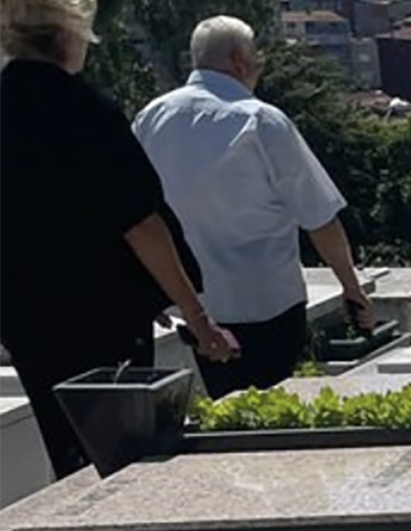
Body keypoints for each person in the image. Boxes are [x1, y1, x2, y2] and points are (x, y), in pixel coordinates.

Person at [0, 0, 237, 479]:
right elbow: (141, 222)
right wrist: (196, 315)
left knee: (67, 449)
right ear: (69, 37)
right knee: (124, 455)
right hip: (99, 312)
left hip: (23, 312)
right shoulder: (84, 110)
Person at [133, 16, 374, 398]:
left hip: (192, 306)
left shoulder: (151, 118)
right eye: (257, 60)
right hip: (267, 303)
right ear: (239, 61)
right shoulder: (262, 121)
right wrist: (352, 287)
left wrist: (147, 287)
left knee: (222, 416)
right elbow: (319, 218)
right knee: (274, 416)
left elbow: (134, 215)